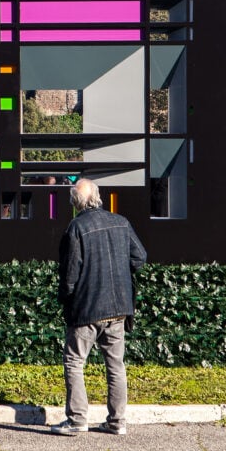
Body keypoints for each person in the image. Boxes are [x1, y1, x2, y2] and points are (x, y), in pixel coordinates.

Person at [51, 178, 147, 437]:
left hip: (87, 308)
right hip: (119, 307)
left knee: (74, 361)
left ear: (75, 202)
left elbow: (70, 274)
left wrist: (65, 301)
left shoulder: (76, 227)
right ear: (98, 197)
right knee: (115, 365)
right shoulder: (121, 222)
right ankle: (117, 422)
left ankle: (77, 420)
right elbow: (140, 257)